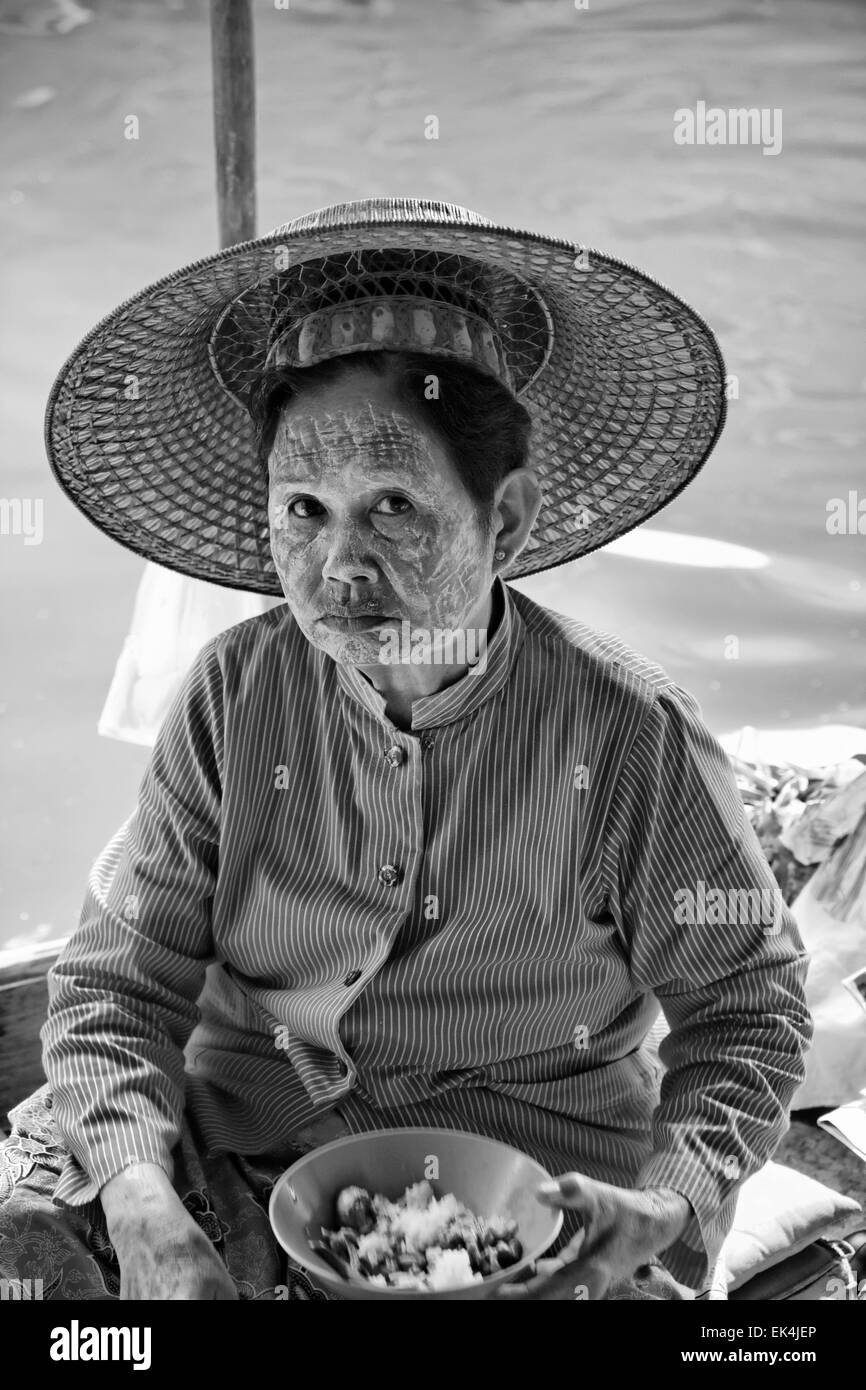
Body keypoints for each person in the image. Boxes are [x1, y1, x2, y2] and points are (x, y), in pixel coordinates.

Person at [1, 197, 811, 1301]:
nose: (336, 568)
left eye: (391, 505)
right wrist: (140, 1198)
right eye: (301, 508)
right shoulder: (234, 695)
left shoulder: (627, 731)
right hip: (246, 1132)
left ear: (507, 521)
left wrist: (663, 1201)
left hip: (537, 1193)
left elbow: (745, 1011)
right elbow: (116, 983)